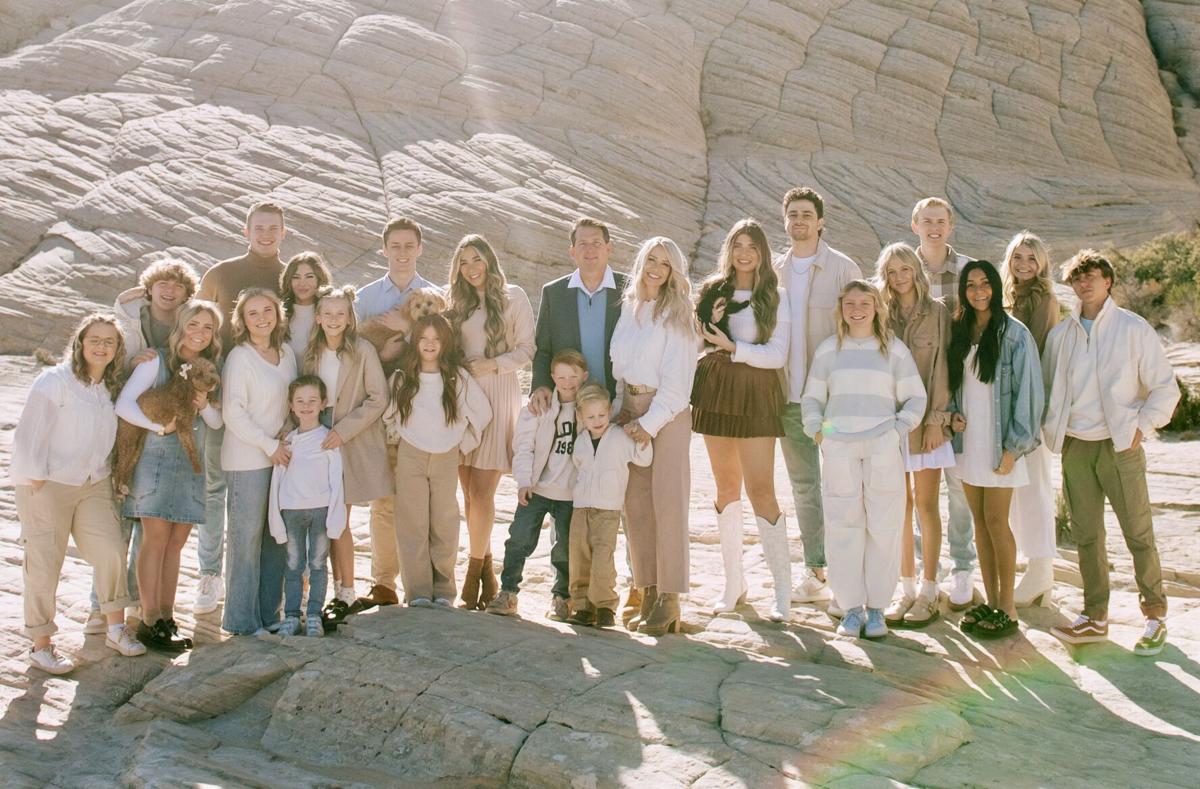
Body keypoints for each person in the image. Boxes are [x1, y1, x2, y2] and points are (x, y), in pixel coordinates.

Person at [1045, 250, 1180, 656]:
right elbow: (1051, 389)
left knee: (1138, 533)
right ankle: (1095, 616)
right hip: (1076, 447)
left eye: (1093, 277)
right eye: (1077, 279)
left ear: (1109, 281)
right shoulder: (1061, 335)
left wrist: (1142, 425)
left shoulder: (1132, 328)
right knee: (1087, 536)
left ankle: (1154, 616)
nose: (1084, 284)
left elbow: (1164, 387)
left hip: (1120, 446)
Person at [11, 313, 146, 674]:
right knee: (44, 565)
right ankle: (41, 645)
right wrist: (34, 479)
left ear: (117, 349)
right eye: (95, 340)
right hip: (47, 484)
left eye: (110, 342)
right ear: (80, 343)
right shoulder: (55, 380)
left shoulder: (110, 388)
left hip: (93, 483)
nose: (101, 346)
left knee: (111, 551)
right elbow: (29, 433)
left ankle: (115, 629)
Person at [801, 281, 926, 640]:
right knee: (843, 527)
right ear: (841, 308)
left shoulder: (893, 351)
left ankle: (876, 610)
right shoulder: (829, 350)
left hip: (882, 448)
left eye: (865, 303)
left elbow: (915, 399)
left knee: (883, 528)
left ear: (876, 308)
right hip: (839, 448)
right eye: (850, 303)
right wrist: (818, 430)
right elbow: (812, 398)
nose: (857, 309)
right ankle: (851, 609)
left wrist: (896, 430)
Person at [88, 258, 199, 633]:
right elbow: (104, 353)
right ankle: (99, 607)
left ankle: (137, 606)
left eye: (178, 286)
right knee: (118, 523)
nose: (169, 291)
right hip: (125, 419)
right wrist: (130, 359)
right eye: (163, 283)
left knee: (148, 523)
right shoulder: (130, 318)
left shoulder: (185, 324)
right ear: (149, 288)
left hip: (158, 427)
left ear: (186, 294)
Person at [529, 217, 632, 621]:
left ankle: (622, 591)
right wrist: (540, 386)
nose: (589, 250)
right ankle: (565, 591)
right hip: (571, 412)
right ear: (571, 251)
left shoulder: (627, 289)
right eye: (581, 244)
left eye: (596, 243)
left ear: (609, 248)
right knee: (568, 501)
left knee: (616, 504)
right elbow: (542, 350)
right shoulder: (554, 293)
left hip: (616, 411)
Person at [692, 219, 792, 621]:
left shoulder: (776, 296)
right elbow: (697, 340)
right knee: (726, 486)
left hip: (756, 392)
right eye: (738, 245)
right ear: (729, 250)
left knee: (761, 489)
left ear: (763, 252)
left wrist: (734, 346)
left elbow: (778, 355)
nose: (744, 253)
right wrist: (711, 322)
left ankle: (781, 591)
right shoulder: (712, 290)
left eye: (752, 246)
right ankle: (734, 584)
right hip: (716, 390)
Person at [194, 201, 288, 617]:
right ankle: (210, 575)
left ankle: (272, 592)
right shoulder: (222, 274)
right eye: (259, 227)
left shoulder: (292, 276)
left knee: (268, 509)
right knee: (216, 491)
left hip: (274, 398)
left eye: (274, 228)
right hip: (223, 395)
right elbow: (192, 321)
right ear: (246, 231)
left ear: (283, 232)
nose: (266, 234)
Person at [118, 300, 224, 652]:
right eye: (194, 324)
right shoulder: (157, 361)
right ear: (181, 325)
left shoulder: (209, 368)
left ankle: (166, 616)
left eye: (208, 327)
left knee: (177, 543)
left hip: (192, 466)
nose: (200, 333)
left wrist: (204, 402)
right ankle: (149, 619)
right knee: (155, 540)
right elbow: (124, 404)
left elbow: (216, 422)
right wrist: (157, 427)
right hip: (157, 461)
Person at [947, 261, 1044, 640]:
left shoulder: (1015, 335)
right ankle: (990, 601)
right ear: (963, 292)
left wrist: (1014, 448)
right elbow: (958, 388)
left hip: (1000, 445)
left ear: (996, 287)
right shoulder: (960, 331)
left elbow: (1030, 396)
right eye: (970, 285)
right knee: (979, 525)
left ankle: (1008, 608)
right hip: (968, 446)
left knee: (996, 522)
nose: (978, 291)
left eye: (985, 283)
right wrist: (952, 417)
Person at [775, 187, 861, 607]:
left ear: (821, 221)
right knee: (804, 487)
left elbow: (862, 332)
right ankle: (816, 571)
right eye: (792, 214)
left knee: (842, 483)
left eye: (807, 214)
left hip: (831, 405)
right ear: (785, 220)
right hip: (787, 403)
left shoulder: (844, 269)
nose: (799, 221)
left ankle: (851, 574)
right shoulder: (773, 272)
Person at [610, 236, 698, 636]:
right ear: (641, 262)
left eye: (665, 263)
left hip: (667, 416)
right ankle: (646, 588)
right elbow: (619, 368)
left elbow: (678, 387)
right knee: (636, 506)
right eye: (651, 260)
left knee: (668, 503)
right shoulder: (630, 308)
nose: (656, 269)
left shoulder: (678, 314)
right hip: (630, 410)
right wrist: (619, 414)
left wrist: (648, 424)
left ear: (673, 272)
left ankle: (669, 597)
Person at [354, 217, 441, 610]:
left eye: (410, 245)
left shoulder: (435, 297)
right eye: (396, 246)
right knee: (383, 501)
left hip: (424, 414)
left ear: (420, 249)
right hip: (380, 411)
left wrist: (406, 329)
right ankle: (383, 583)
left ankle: (419, 584)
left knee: (420, 502)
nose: (403, 252)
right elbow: (354, 351)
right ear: (384, 249)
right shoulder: (367, 298)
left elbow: (444, 350)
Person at [446, 235, 536, 610]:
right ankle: (485, 572)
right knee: (467, 494)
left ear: (490, 259)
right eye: (464, 261)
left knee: (482, 493)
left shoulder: (513, 296)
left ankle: (471, 572)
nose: (471, 267)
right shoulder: (455, 302)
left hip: (498, 394)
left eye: (477, 258)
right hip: (462, 399)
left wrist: (491, 365)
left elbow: (528, 350)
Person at [382, 314, 492, 607]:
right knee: (412, 522)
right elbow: (388, 416)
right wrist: (400, 440)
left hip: (446, 456)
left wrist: (461, 444)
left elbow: (482, 414)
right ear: (415, 342)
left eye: (436, 339)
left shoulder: (456, 377)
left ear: (445, 343)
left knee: (443, 522)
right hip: (411, 455)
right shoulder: (403, 377)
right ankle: (417, 591)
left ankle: (444, 591)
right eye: (423, 339)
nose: (429, 344)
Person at [300, 285, 391, 624]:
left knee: (339, 518)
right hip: (314, 437)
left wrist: (343, 431)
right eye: (328, 314)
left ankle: (346, 592)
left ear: (349, 317)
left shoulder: (362, 350)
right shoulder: (311, 352)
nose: (334, 320)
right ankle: (307, 592)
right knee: (313, 518)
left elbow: (378, 398)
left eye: (341, 314)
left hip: (346, 439)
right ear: (319, 317)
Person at [876, 244, 954, 629]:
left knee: (926, 505)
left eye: (904, 268)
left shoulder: (937, 312)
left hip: (927, 425)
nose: (898, 277)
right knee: (900, 507)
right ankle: (904, 587)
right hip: (890, 426)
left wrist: (938, 421)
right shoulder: (881, 313)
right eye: (891, 272)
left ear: (916, 271)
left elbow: (942, 368)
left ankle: (929, 588)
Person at [911, 196, 977, 610]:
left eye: (941, 221)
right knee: (919, 484)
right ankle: (922, 569)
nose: (934, 227)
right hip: (916, 390)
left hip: (963, 382)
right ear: (915, 224)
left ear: (950, 226)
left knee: (958, 482)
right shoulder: (902, 268)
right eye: (927, 220)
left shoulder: (968, 271)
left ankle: (964, 568)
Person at [487, 350, 588, 619]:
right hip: (537, 488)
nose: (567, 383)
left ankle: (562, 597)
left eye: (574, 377)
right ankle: (508, 592)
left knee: (565, 547)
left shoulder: (589, 410)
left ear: (584, 377)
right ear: (552, 377)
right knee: (519, 539)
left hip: (570, 493)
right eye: (562, 377)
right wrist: (523, 482)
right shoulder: (537, 409)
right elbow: (523, 448)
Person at [220, 288, 297, 635]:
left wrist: (285, 433)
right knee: (245, 541)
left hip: (280, 458)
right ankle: (241, 621)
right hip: (246, 460)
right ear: (243, 320)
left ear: (278, 314)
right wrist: (268, 444)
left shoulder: (287, 353)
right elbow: (232, 412)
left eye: (268, 310)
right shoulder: (239, 357)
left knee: (275, 539)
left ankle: (270, 616)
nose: (262, 317)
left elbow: (289, 402)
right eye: (253, 313)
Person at [1001, 232, 1061, 607]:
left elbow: (1034, 357)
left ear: (1042, 264)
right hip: (1009, 404)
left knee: (1035, 487)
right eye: (1018, 257)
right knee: (1016, 491)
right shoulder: (1011, 297)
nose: (1024, 264)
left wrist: (1025, 412)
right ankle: (1034, 568)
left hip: (1029, 406)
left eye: (1031, 258)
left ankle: (1041, 571)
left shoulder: (1042, 299)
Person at [568, 383, 653, 628]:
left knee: (602, 556)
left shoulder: (618, 436)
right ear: (580, 417)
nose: (597, 421)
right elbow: (578, 465)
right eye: (591, 416)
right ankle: (583, 606)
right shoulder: (581, 440)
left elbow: (643, 459)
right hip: (581, 506)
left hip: (608, 508)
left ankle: (604, 605)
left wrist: (642, 440)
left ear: (609, 412)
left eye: (602, 415)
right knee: (579, 556)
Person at [268, 376, 347, 638]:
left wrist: (336, 519)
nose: (306, 406)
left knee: (317, 564)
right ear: (291, 406)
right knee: (293, 564)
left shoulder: (328, 441)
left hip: (320, 510)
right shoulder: (288, 441)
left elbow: (337, 481)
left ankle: (314, 614)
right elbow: (277, 483)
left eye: (312, 400)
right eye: (300, 401)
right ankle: (291, 615)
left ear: (323, 404)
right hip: (292, 511)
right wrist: (276, 522)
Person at [280, 251, 333, 359]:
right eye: (296, 277)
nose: (302, 283)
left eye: (309, 277)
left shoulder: (332, 313)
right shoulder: (278, 313)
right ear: (288, 281)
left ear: (320, 279)